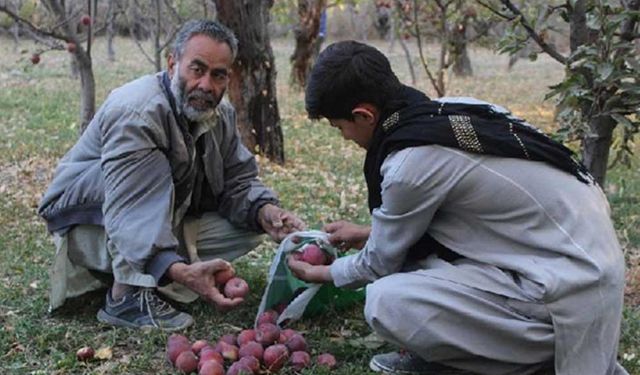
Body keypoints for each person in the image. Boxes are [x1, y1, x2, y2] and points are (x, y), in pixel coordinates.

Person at [288, 40, 627, 375]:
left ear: (364, 114)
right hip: (574, 260)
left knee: (386, 300)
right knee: (416, 264)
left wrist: (326, 273)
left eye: (340, 128)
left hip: (567, 287)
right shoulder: (450, 110)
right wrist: (369, 232)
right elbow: (469, 216)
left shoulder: (410, 163)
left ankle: (538, 361)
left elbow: (381, 262)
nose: (345, 137)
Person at [38, 20, 305, 331]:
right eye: (197, 69)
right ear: (172, 63)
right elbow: (132, 207)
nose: (206, 85)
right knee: (155, 172)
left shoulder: (221, 115)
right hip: (88, 223)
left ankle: (162, 269)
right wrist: (180, 273)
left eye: (218, 75)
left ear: (228, 77)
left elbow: (238, 181)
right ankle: (126, 296)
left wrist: (265, 211)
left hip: (154, 214)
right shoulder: (137, 111)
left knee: (251, 227)